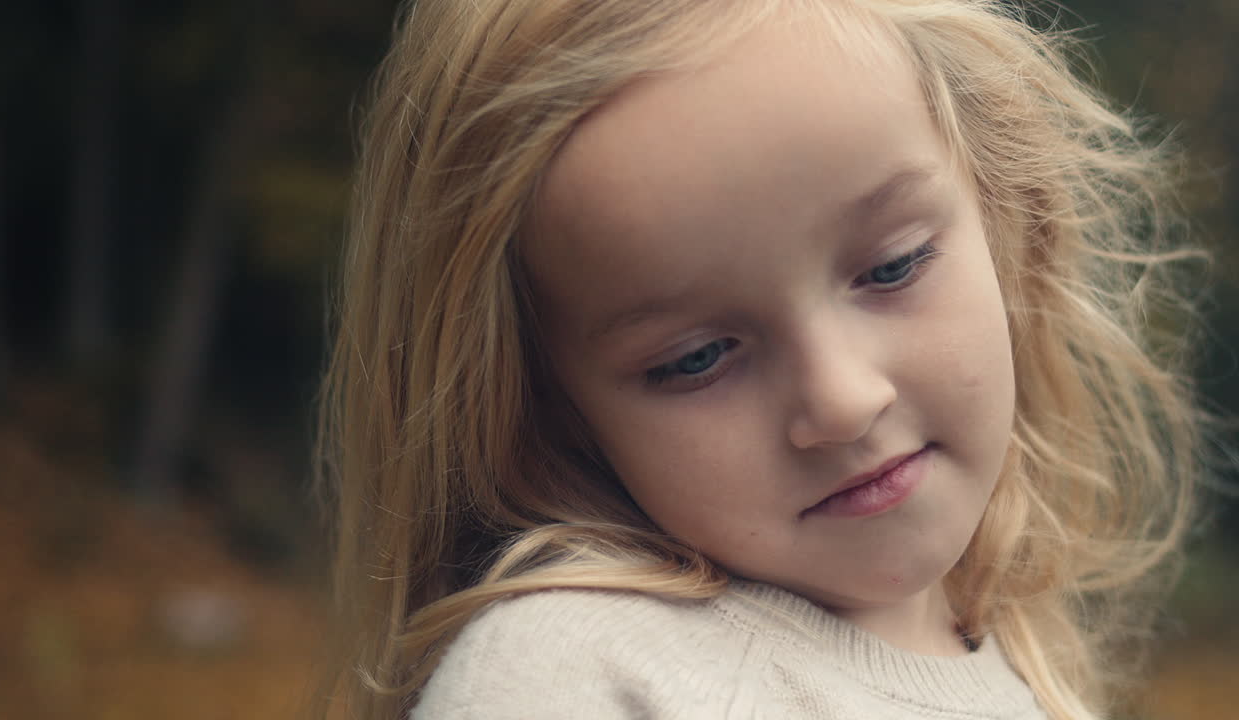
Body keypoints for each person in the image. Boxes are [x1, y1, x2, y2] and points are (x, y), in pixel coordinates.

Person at [314, 1, 1208, 718]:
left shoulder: (1025, 675)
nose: (843, 399)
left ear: (1007, 221)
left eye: (892, 267)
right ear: (546, 409)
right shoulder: (578, 676)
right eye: (698, 358)